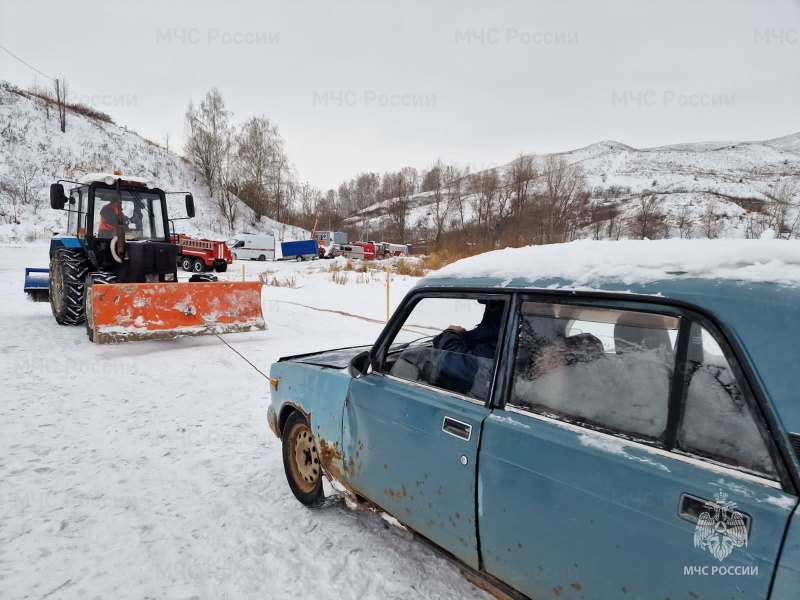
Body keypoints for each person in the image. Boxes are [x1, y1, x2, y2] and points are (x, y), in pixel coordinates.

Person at [430, 299, 504, 397]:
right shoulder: (520, 329)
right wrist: (465, 336)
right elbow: (489, 334)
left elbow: (455, 364)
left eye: (492, 304)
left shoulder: (505, 332)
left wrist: (449, 334)